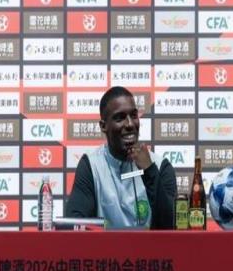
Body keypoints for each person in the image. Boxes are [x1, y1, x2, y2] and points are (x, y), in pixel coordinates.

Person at [66, 86, 177, 229]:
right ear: (103, 126)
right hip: (105, 244)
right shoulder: (91, 165)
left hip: (150, 245)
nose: (130, 124)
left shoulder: (160, 166)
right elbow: (74, 224)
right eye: (120, 118)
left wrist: (150, 171)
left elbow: (171, 227)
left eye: (134, 116)